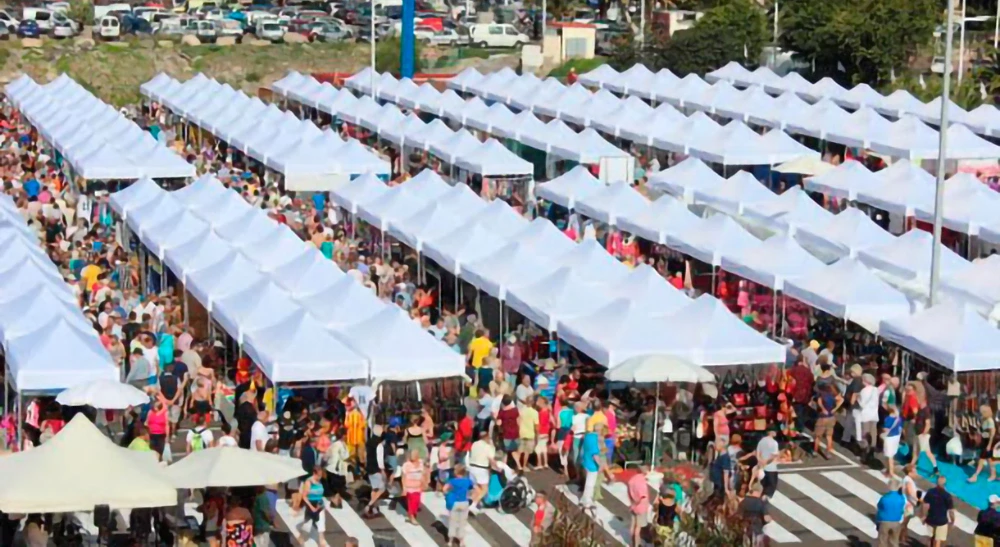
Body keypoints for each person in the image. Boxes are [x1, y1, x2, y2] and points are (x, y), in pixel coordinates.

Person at [580, 424, 613, 509]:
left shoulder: (588, 436)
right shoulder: (595, 439)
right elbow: (595, 455)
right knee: (590, 484)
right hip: (592, 465)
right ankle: (587, 501)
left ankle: (584, 499)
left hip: (585, 462)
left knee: (587, 483)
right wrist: (600, 465)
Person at [444, 464, 474, 546]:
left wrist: (448, 494)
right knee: (462, 522)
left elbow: (445, 489)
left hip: (454, 503)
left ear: (456, 472)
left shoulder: (452, 481)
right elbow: (472, 488)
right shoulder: (467, 481)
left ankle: (450, 541)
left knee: (452, 522)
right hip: (464, 503)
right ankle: (461, 541)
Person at [297, 466, 327, 547]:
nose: (320, 477)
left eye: (321, 475)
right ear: (314, 473)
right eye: (319, 475)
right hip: (311, 503)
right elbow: (304, 496)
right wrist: (311, 507)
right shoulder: (309, 482)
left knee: (321, 522)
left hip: (319, 503)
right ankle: (301, 537)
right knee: (307, 523)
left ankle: (321, 540)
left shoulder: (320, 481)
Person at [922, 474, 955, 547]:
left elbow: (925, 505)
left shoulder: (930, 492)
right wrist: (952, 521)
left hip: (930, 518)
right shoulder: (947, 496)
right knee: (937, 540)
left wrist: (924, 516)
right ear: (945, 484)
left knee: (930, 538)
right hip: (941, 521)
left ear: (936, 483)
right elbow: (951, 511)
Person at [363, 425, 388, 519]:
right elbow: (379, 459)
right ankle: (369, 505)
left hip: (369, 467)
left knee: (374, 489)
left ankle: (374, 509)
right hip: (376, 469)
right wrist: (383, 470)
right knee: (382, 488)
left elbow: (366, 454)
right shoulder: (379, 445)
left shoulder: (369, 442)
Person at [468, 430, 496, 514]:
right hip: (481, 469)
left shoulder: (474, 444)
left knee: (477, 488)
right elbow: (491, 459)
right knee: (484, 489)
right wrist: (497, 467)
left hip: (472, 467)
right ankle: (473, 505)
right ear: (487, 438)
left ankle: (473, 503)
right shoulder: (488, 447)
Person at [814, 383, 842, 459]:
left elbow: (819, 401)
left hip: (822, 418)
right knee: (829, 436)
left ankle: (815, 451)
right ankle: (828, 453)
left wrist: (823, 409)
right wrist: (835, 409)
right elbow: (841, 400)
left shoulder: (822, 394)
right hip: (831, 417)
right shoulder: (833, 395)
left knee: (817, 436)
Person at [970, 405, 997, 483]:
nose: (981, 413)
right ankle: (993, 474)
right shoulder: (983, 419)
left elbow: (992, 433)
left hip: (988, 441)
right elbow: (980, 430)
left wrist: (989, 445)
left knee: (982, 458)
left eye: (982, 412)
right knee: (988, 459)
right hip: (984, 441)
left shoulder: (990, 420)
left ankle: (975, 475)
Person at [875, 478, 905, 547]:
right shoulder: (901, 498)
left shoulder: (885, 498)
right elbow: (902, 509)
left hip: (885, 521)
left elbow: (879, 507)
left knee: (882, 541)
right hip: (896, 521)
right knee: (894, 542)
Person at [627, 465, 651, 547]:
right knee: (638, 527)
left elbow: (629, 492)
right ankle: (637, 544)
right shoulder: (642, 482)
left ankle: (632, 542)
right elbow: (642, 496)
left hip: (632, 506)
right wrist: (636, 503)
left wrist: (632, 503)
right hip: (640, 507)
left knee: (632, 525)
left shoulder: (632, 480)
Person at [401, 449, 426, 525]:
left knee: (417, 502)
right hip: (409, 487)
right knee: (412, 502)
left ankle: (412, 514)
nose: (412, 456)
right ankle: (411, 516)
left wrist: (424, 483)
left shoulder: (421, 463)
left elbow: (422, 474)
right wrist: (404, 488)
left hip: (418, 486)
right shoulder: (406, 465)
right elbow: (403, 477)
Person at [755, 428, 780, 498]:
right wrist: (766, 461)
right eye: (775, 431)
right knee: (771, 485)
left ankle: (760, 497)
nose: (776, 432)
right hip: (771, 468)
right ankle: (765, 499)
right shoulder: (774, 443)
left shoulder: (761, 441)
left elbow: (758, 453)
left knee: (762, 485)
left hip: (761, 468)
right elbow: (773, 456)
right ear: (771, 432)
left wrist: (760, 461)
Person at [882, 404, 903, 478]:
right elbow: (900, 429)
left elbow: (885, 429)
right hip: (896, 437)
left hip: (889, 438)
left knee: (889, 455)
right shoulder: (899, 419)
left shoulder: (888, 419)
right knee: (892, 455)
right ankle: (889, 470)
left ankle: (890, 472)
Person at [518, 395, 539, 470]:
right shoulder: (535, 412)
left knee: (519, 451)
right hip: (530, 434)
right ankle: (524, 466)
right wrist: (537, 435)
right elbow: (536, 426)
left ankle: (518, 465)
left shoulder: (521, 410)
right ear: (533, 402)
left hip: (521, 433)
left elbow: (518, 421)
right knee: (527, 452)